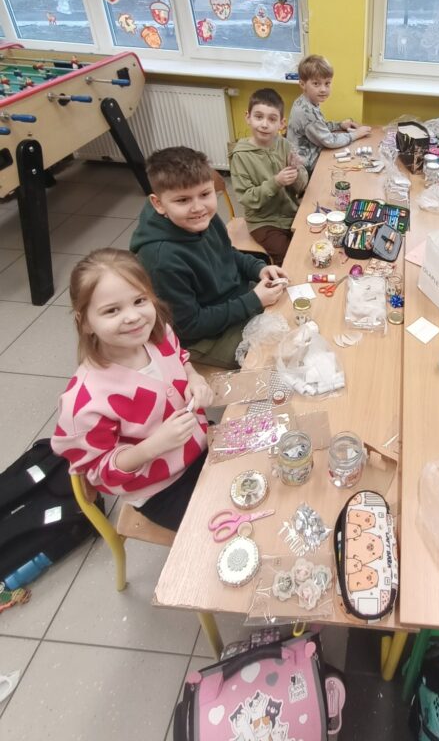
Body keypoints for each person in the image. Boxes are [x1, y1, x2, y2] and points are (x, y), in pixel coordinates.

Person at [51, 249, 214, 530]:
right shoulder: (85, 401)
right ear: (85, 321)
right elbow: (99, 473)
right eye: (112, 310)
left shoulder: (159, 334)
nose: (133, 317)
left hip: (203, 444)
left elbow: (182, 359)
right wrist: (153, 446)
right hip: (161, 489)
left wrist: (195, 378)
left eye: (139, 301)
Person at [130, 146, 286, 369]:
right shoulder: (161, 259)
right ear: (159, 204)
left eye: (205, 194)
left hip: (233, 301)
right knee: (271, 358)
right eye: (182, 200)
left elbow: (227, 253)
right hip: (203, 336)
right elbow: (189, 326)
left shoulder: (203, 217)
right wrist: (253, 301)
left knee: (292, 310)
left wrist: (258, 268)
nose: (198, 208)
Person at [230, 88, 308, 265]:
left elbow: (302, 186)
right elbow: (246, 198)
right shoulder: (241, 156)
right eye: (259, 117)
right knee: (290, 257)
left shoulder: (284, 145)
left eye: (272, 119)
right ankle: (286, 280)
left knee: (310, 244)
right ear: (248, 117)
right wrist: (276, 182)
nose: (264, 124)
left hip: (290, 213)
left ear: (282, 124)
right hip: (263, 222)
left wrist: (297, 172)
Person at [287, 54, 371, 173]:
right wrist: (356, 134)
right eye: (316, 84)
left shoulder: (305, 101)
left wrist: (339, 125)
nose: (323, 89)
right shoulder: (307, 111)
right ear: (302, 84)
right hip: (305, 168)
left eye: (327, 83)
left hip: (309, 156)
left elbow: (319, 126)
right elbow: (329, 141)